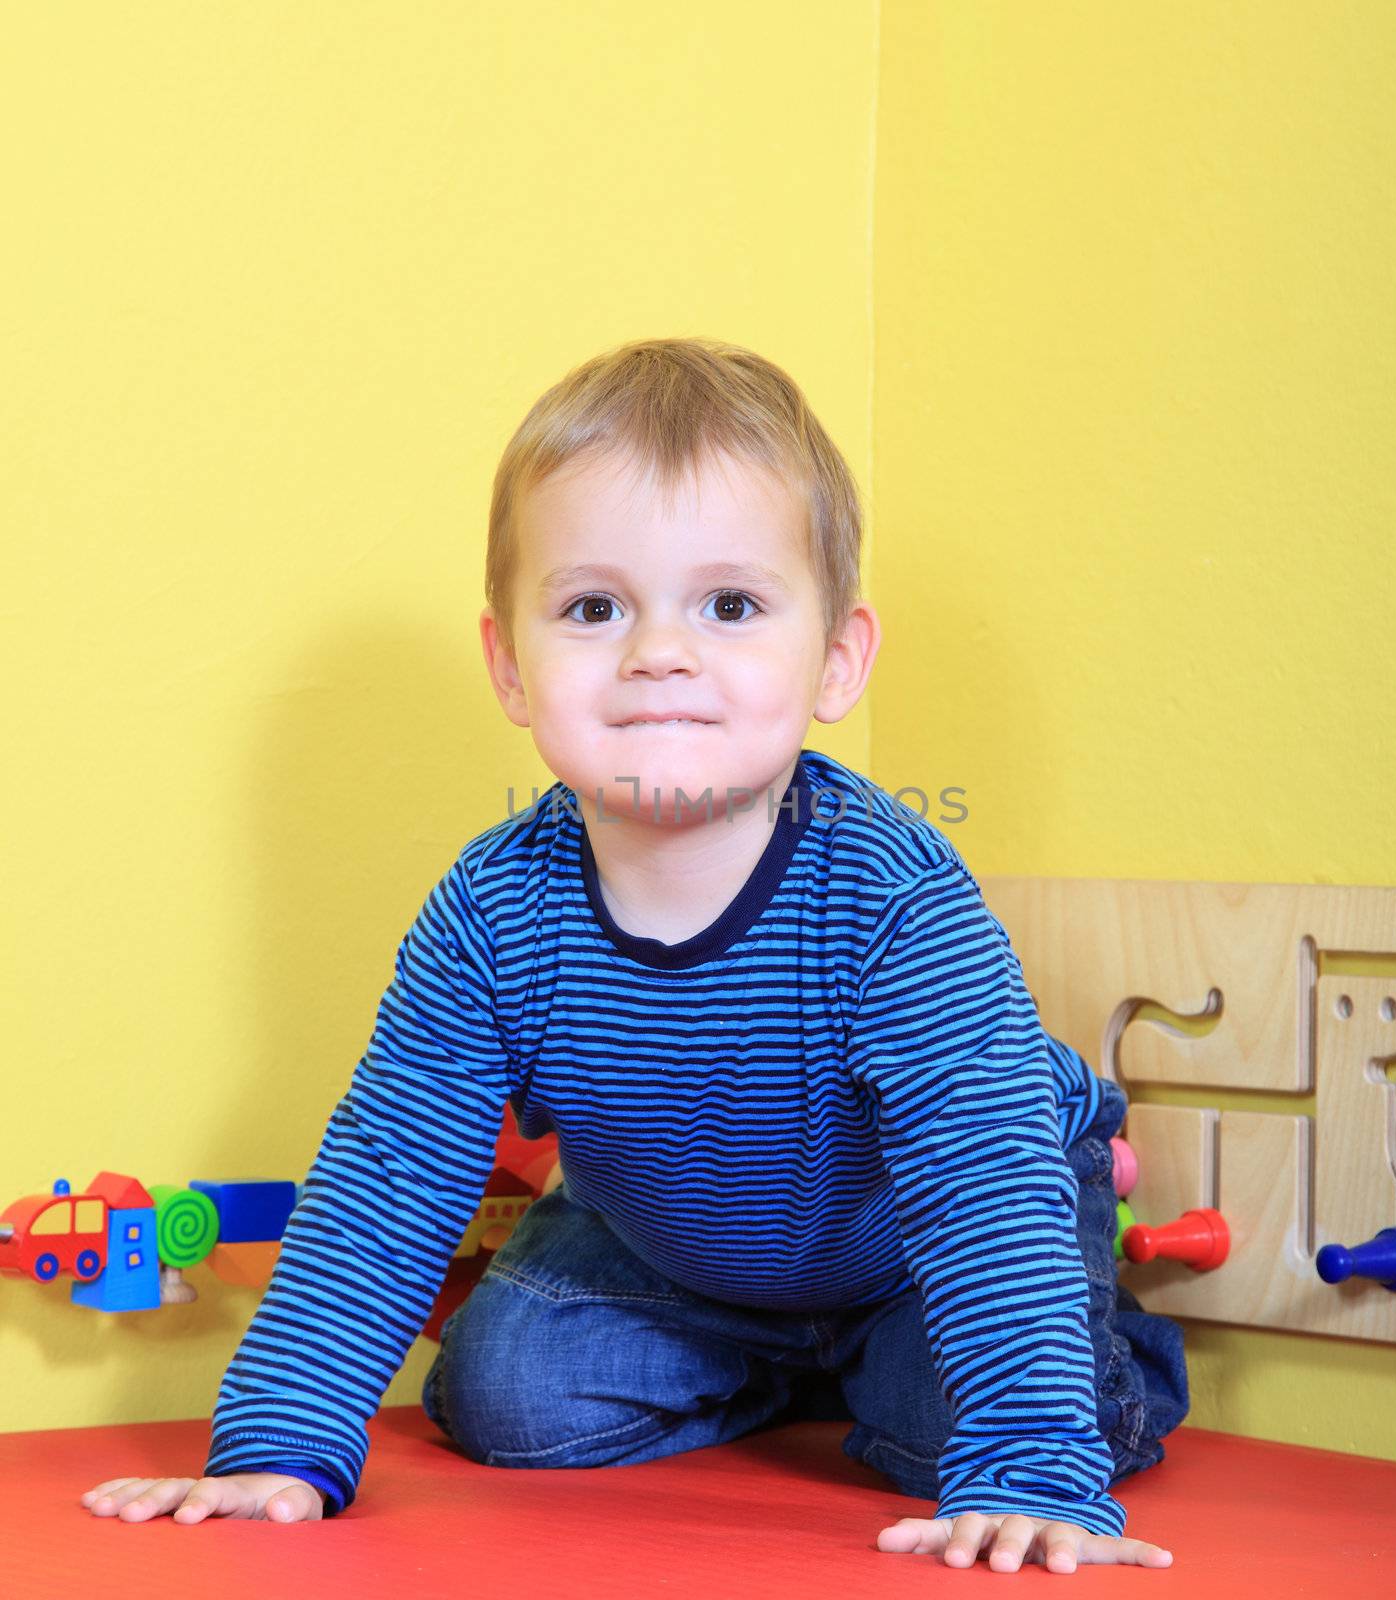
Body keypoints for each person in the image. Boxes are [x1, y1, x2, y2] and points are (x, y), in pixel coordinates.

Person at [80, 337, 1188, 1573]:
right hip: (678, 1248)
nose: (659, 651)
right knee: (504, 1393)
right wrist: (276, 1447)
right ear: (510, 664)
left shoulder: (889, 896)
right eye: (595, 607)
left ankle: (1088, 1366)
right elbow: (392, 1169)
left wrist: (1033, 1469)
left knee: (956, 1430)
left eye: (729, 604)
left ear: (836, 660)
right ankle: (777, 1370)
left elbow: (981, 1174)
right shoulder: (494, 909)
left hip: (933, 1234)